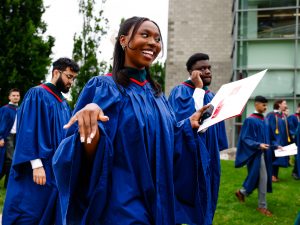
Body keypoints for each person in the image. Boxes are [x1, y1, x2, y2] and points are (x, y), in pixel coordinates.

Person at [52, 17, 209, 225]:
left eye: (157, 38)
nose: (153, 43)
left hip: (160, 202)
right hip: (123, 203)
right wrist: (90, 126)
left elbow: (169, 143)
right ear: (124, 41)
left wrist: (188, 126)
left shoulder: (157, 95)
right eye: (145, 35)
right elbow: (82, 157)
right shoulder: (103, 87)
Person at [2, 58, 79, 225]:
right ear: (56, 72)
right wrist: (36, 164)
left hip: (55, 170)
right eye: (69, 76)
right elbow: (28, 129)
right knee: (30, 212)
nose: (71, 82)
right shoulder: (37, 94)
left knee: (51, 213)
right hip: (37, 168)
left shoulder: (64, 104)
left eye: (73, 78)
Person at [168, 52, 228, 224]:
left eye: (209, 68)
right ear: (191, 72)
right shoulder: (181, 91)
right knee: (187, 196)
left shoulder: (211, 94)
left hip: (209, 153)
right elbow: (187, 121)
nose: (207, 71)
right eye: (201, 68)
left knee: (208, 193)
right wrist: (199, 88)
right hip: (190, 155)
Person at [235, 96, 273, 217]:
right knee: (263, 179)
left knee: (256, 178)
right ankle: (262, 206)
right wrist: (258, 145)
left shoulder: (264, 120)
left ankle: (242, 192)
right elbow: (245, 138)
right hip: (255, 154)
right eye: (263, 105)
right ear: (256, 104)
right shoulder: (250, 120)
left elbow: (269, 137)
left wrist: (277, 146)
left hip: (265, 154)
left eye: (266, 105)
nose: (265, 107)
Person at [0, 88, 21, 188]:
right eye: (13, 95)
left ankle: (7, 183)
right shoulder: (5, 109)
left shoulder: (20, 109)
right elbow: (2, 124)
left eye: (17, 95)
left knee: (8, 160)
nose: (16, 97)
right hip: (7, 136)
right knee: (10, 159)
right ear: (9, 97)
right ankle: (8, 184)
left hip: (17, 137)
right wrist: (1, 137)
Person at [266, 99, 290, 182]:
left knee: (278, 157)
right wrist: (275, 143)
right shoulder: (271, 115)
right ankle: (271, 175)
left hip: (281, 140)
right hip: (273, 141)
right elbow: (269, 130)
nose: (286, 105)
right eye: (284, 103)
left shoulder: (283, 116)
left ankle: (275, 175)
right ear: (279, 104)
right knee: (273, 157)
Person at [287, 103, 300, 180]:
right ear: (298, 108)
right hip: (296, 140)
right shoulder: (293, 117)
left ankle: (295, 172)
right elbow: (290, 129)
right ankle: (296, 173)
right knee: (298, 157)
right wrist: (294, 135)